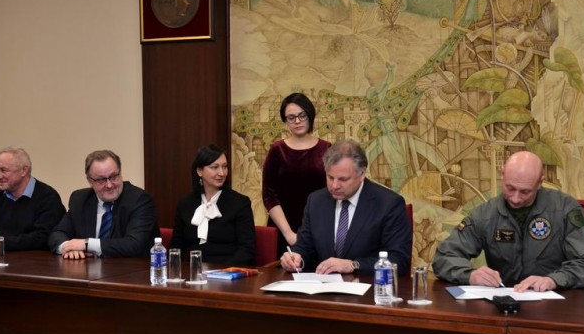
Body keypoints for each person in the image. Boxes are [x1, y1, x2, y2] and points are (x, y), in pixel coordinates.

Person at [432, 151, 584, 292]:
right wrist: (470, 275)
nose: (515, 198)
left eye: (525, 192)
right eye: (510, 188)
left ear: (540, 183)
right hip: (505, 305)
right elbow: (444, 257)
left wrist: (554, 280)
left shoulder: (565, 209)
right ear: (502, 174)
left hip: (558, 305)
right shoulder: (485, 214)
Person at [280, 139, 412, 274]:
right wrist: (296, 257)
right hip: (323, 284)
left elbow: (399, 260)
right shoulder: (316, 201)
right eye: (330, 177)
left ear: (362, 174)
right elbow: (305, 247)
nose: (334, 186)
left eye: (343, 179)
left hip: (368, 285)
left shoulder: (388, 204)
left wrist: (354, 265)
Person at [49, 150, 159, 259]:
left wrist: (86, 244)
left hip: (130, 268)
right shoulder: (80, 199)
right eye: (101, 180)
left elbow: (134, 245)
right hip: (87, 268)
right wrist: (68, 247)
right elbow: (57, 234)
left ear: (120, 173)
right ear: (90, 181)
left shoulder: (139, 199)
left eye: (113, 176)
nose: (109, 185)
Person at [262, 92, 331, 258]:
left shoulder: (327, 149)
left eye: (302, 115)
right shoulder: (277, 150)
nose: (297, 121)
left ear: (310, 115)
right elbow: (269, 196)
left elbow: (333, 192)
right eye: (291, 118)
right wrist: (289, 234)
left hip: (320, 228)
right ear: (285, 121)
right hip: (284, 229)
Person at [170, 144, 255, 265]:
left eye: (224, 167)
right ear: (200, 171)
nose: (222, 173)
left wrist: (222, 271)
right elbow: (176, 246)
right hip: (193, 271)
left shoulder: (240, 203)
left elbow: (247, 251)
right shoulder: (185, 204)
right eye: (214, 167)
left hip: (228, 271)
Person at [0, 147, 65, 251]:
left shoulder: (48, 197)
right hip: (0, 258)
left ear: (24, 170)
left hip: (36, 260)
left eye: (4, 170)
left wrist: (0, 242)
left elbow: (44, 238)